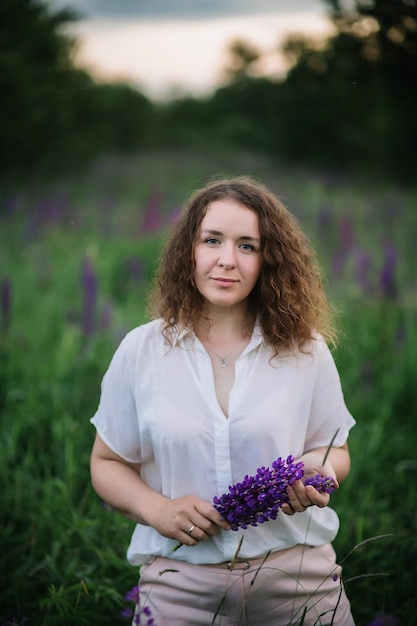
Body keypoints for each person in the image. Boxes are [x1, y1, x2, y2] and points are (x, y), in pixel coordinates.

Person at [90, 176, 356, 626]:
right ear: (189, 251)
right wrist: (156, 509)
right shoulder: (141, 350)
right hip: (178, 582)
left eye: (247, 246)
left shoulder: (304, 348)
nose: (226, 260)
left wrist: (320, 472)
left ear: (268, 259)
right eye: (212, 240)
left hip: (298, 579)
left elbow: (335, 450)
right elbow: (106, 463)